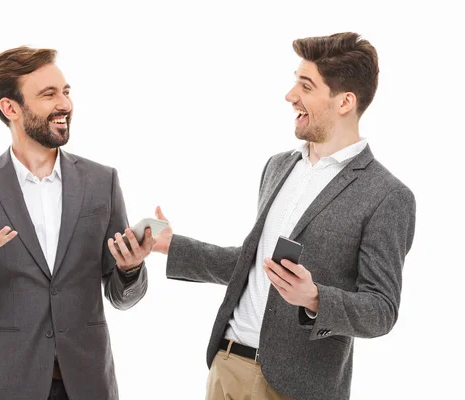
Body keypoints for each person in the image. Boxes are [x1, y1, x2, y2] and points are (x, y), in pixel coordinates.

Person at [150, 32, 416, 400]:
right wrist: (172, 246)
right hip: (227, 367)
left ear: (345, 102)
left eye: (305, 85)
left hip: (295, 388)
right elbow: (253, 266)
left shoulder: (387, 195)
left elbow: (381, 309)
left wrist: (315, 298)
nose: (290, 95)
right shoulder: (278, 167)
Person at [0, 46, 154, 400]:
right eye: (48, 94)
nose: (64, 104)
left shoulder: (102, 182)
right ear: (11, 108)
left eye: (66, 92)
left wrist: (129, 270)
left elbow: (121, 297)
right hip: (3, 386)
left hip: (88, 385)